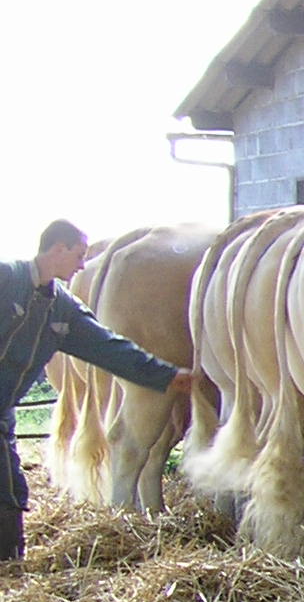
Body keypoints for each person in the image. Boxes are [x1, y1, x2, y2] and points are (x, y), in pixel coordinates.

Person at [0, 220, 194, 560]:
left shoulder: (60, 307)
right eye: (77, 255)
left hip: (3, 410)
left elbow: (109, 347)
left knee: (11, 489)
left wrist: (165, 375)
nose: (81, 265)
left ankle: (10, 564)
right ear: (57, 248)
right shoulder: (6, 279)